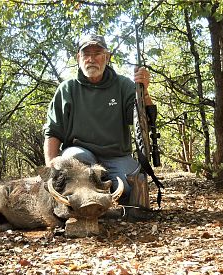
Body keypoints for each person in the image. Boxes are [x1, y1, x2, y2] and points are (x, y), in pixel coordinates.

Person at [43, 34, 153, 214]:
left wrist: (144, 91)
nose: (91, 59)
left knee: (131, 184)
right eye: (86, 54)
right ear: (78, 58)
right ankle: (83, 206)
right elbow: (52, 132)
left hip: (116, 156)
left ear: (107, 57)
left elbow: (143, 122)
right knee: (73, 158)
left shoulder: (124, 85)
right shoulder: (67, 89)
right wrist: (50, 169)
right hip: (81, 156)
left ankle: (118, 205)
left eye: (97, 53)